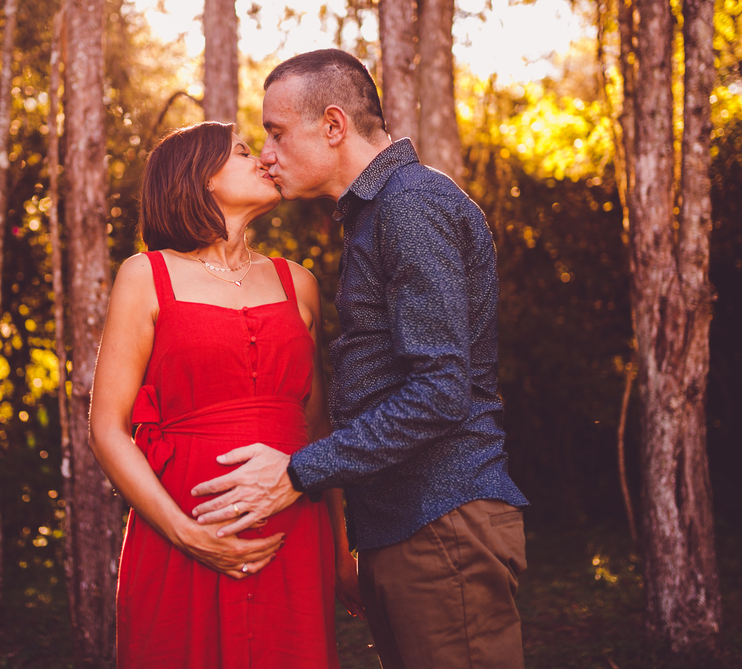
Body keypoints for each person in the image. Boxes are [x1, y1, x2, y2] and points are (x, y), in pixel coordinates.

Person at [189, 50, 530, 669]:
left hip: (442, 521)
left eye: (275, 131)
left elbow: (440, 391)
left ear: (334, 125)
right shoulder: (375, 216)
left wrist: (298, 471)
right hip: (403, 528)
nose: (267, 153)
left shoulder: (410, 204)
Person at [88, 121, 361, 669]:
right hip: (183, 528)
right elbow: (107, 428)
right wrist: (186, 533)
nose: (263, 158)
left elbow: (318, 431)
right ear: (200, 177)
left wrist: (342, 551)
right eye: (242, 151)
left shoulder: (296, 283)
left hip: (292, 533)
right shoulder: (146, 276)